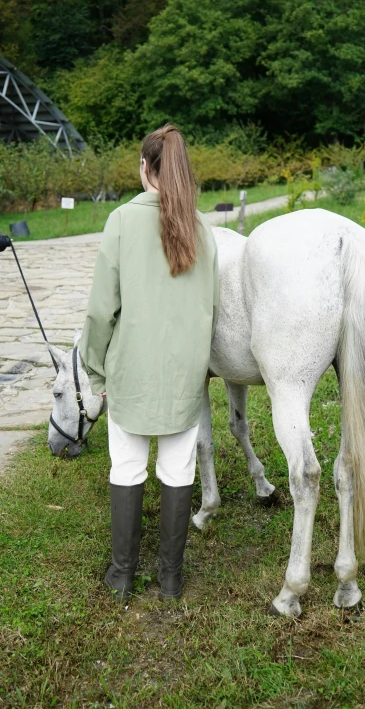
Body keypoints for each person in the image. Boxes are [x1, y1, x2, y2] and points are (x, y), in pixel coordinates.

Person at [79, 124, 219, 601]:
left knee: (127, 467)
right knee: (178, 470)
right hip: (183, 374)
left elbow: (101, 310)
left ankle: (122, 577)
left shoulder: (120, 221)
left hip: (131, 373)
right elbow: (210, 310)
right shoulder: (202, 230)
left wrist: (94, 369)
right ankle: (171, 578)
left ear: (145, 168)